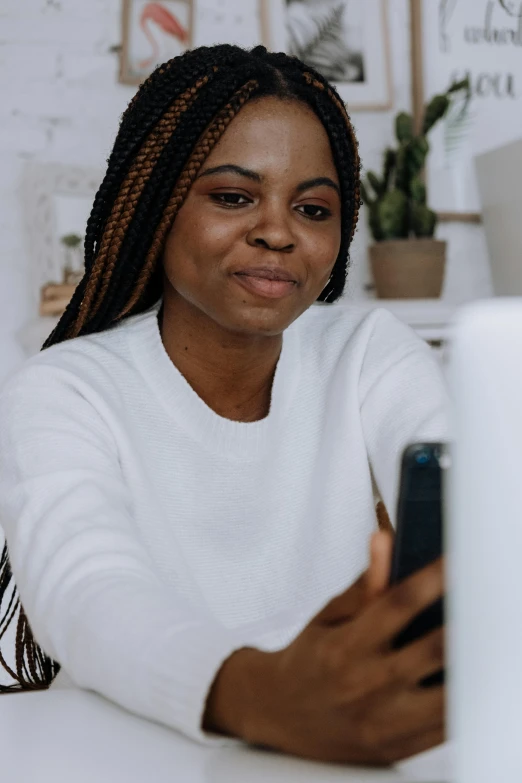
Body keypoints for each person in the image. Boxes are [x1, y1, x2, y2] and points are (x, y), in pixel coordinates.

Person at [0, 44, 447, 765]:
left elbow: (476, 506)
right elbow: (88, 591)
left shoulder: (366, 350)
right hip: (123, 757)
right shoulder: (65, 391)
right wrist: (264, 693)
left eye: (313, 207)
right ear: (156, 206)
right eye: (233, 196)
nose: (278, 230)